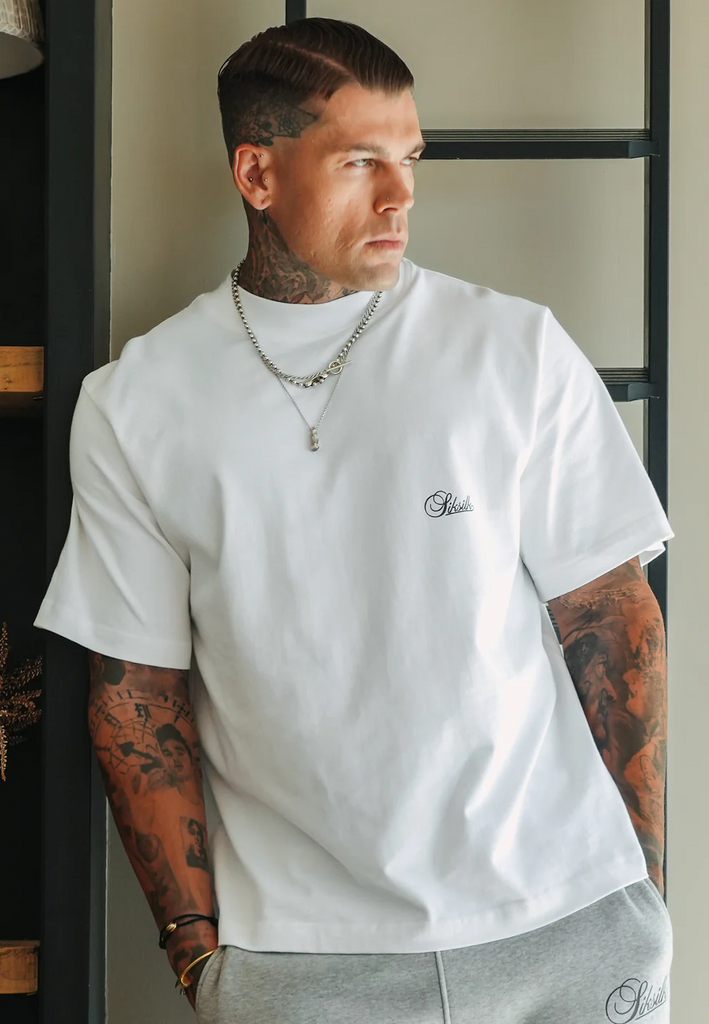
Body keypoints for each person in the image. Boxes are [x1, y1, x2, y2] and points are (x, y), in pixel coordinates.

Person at [33, 17, 674, 1023]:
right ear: (257, 173)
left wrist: (637, 891)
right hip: (302, 963)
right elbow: (135, 698)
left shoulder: (511, 349)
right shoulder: (139, 402)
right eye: (360, 161)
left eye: (408, 158)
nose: (400, 194)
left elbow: (612, 617)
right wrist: (199, 958)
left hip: (567, 924)